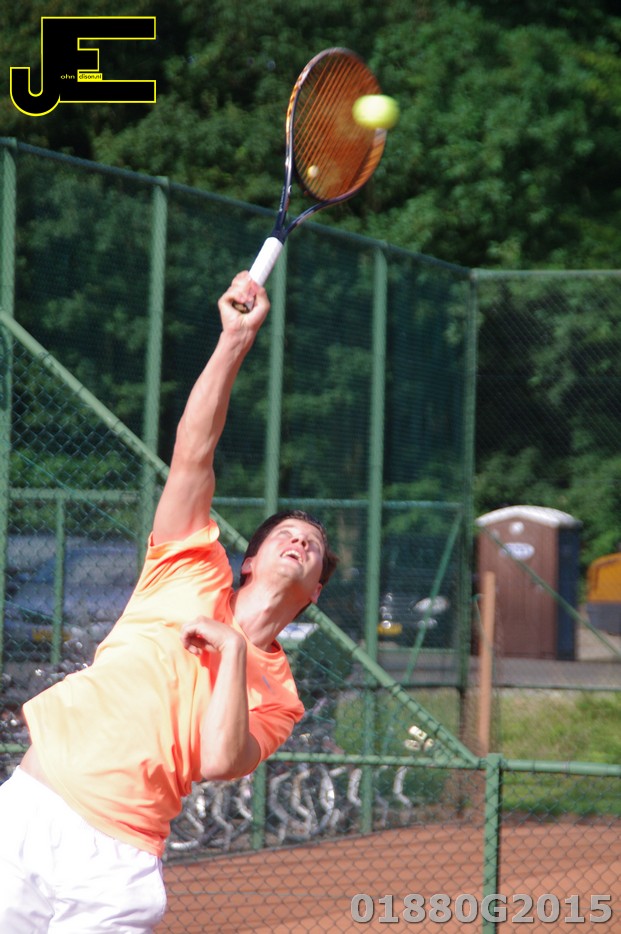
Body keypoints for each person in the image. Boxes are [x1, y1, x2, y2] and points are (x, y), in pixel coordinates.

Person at [0, 271, 338, 933]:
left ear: (315, 590)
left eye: (313, 545)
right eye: (285, 534)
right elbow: (192, 454)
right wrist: (234, 340)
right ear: (248, 561)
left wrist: (233, 651)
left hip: (117, 865)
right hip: (30, 810)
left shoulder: (279, 696)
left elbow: (219, 761)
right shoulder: (188, 566)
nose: (299, 540)